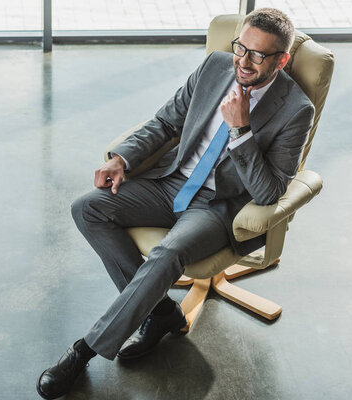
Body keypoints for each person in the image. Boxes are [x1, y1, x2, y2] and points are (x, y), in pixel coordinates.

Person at [37, 8, 314, 400]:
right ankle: (162, 313)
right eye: (241, 48)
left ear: (281, 59)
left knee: (167, 255)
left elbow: (269, 190)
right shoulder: (215, 67)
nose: (244, 61)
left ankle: (84, 352)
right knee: (88, 208)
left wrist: (241, 130)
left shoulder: (296, 109)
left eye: (258, 55)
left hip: (217, 206)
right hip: (171, 181)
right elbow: (166, 122)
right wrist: (122, 158)